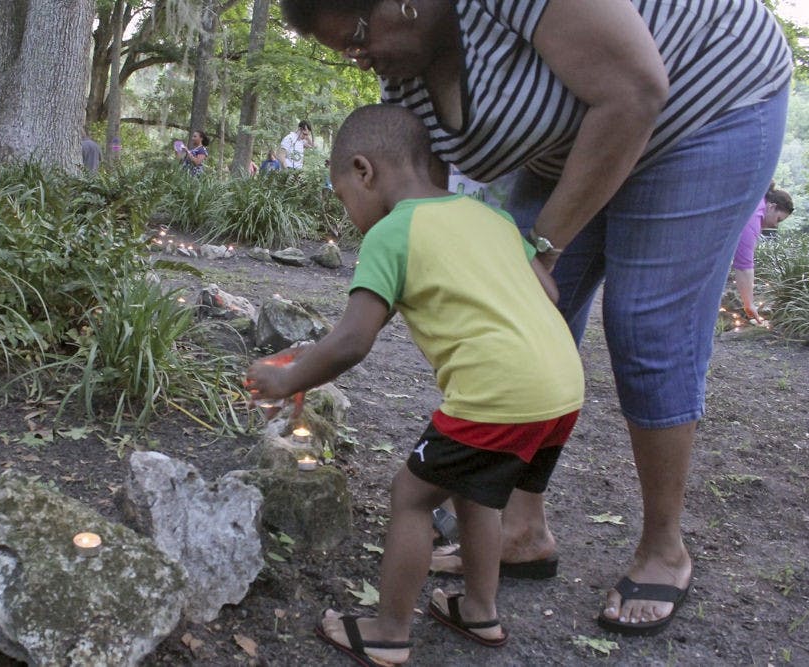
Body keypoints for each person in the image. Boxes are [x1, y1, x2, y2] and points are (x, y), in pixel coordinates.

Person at [280, 0, 792, 636]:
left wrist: (536, 250)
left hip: (702, 107)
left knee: (645, 327)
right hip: (571, 153)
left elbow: (634, 88)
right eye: (346, 52)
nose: (361, 58)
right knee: (532, 312)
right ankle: (517, 533)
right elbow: (430, 197)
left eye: (358, 36)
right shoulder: (400, 72)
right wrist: (496, 259)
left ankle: (662, 546)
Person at [245, 104, 584, 665]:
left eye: (340, 194)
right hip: (561, 389)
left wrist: (285, 378)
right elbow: (548, 293)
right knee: (478, 491)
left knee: (412, 495)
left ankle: (388, 631)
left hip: (497, 394)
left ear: (363, 171)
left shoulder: (391, 231)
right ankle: (480, 611)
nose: (347, 210)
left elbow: (353, 342)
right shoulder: (492, 218)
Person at [731, 184, 793, 323]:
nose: (776, 226)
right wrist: (749, 304)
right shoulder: (754, 216)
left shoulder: (755, 203)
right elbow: (743, 265)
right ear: (771, 207)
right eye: (778, 219)